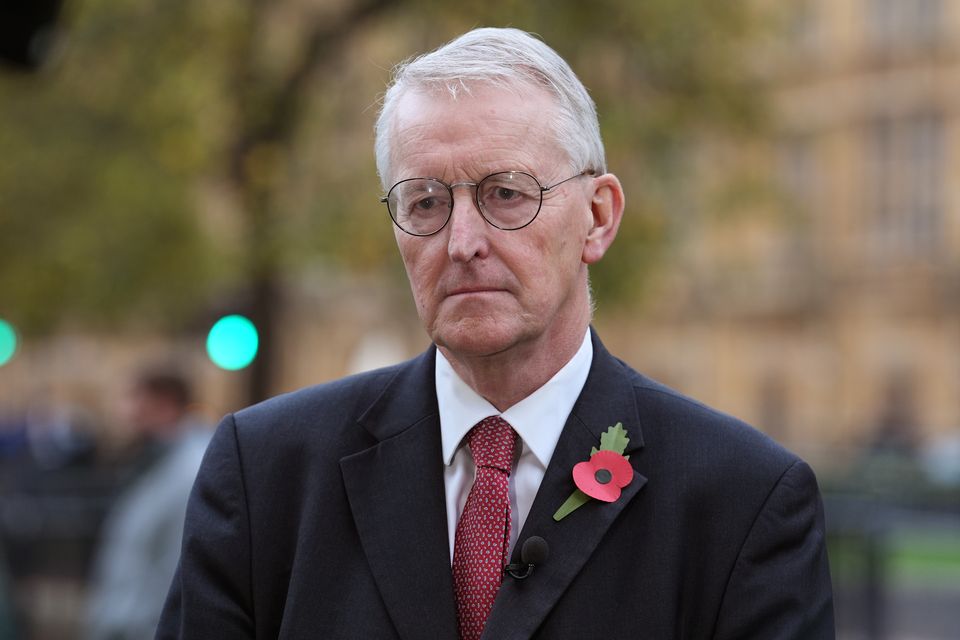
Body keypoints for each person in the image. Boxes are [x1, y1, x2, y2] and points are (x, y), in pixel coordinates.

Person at [157, 28, 834, 639]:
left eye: (506, 194)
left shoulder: (742, 500)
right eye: (424, 201)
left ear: (597, 218)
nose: (461, 242)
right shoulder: (267, 473)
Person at [87, 369, 211, 640]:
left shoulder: (191, 469)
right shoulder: (155, 460)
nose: (125, 411)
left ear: (164, 405)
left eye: (135, 399)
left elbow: (176, 568)